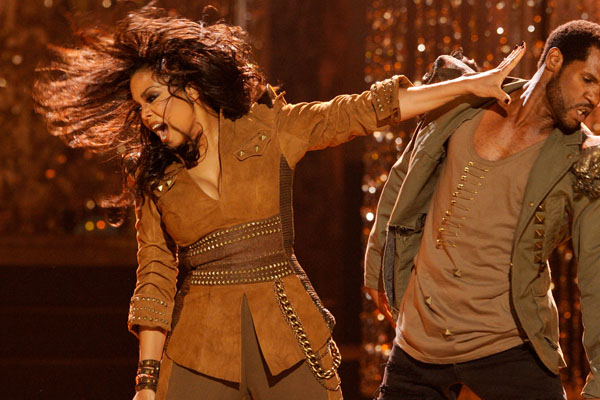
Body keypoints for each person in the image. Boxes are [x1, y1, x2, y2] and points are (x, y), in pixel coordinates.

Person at [34, 4, 524, 400]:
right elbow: (156, 278)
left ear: (189, 86)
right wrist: (146, 381)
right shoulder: (154, 179)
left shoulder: (269, 128)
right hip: (199, 349)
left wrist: (469, 85)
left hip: (285, 331)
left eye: (153, 97)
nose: (145, 115)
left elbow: (362, 111)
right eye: (139, 106)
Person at [364, 19, 600, 400]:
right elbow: (407, 173)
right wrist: (378, 261)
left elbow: (597, 273)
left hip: (507, 344)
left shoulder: (585, 161)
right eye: (588, 79)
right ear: (554, 61)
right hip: (421, 340)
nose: (594, 97)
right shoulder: (468, 101)